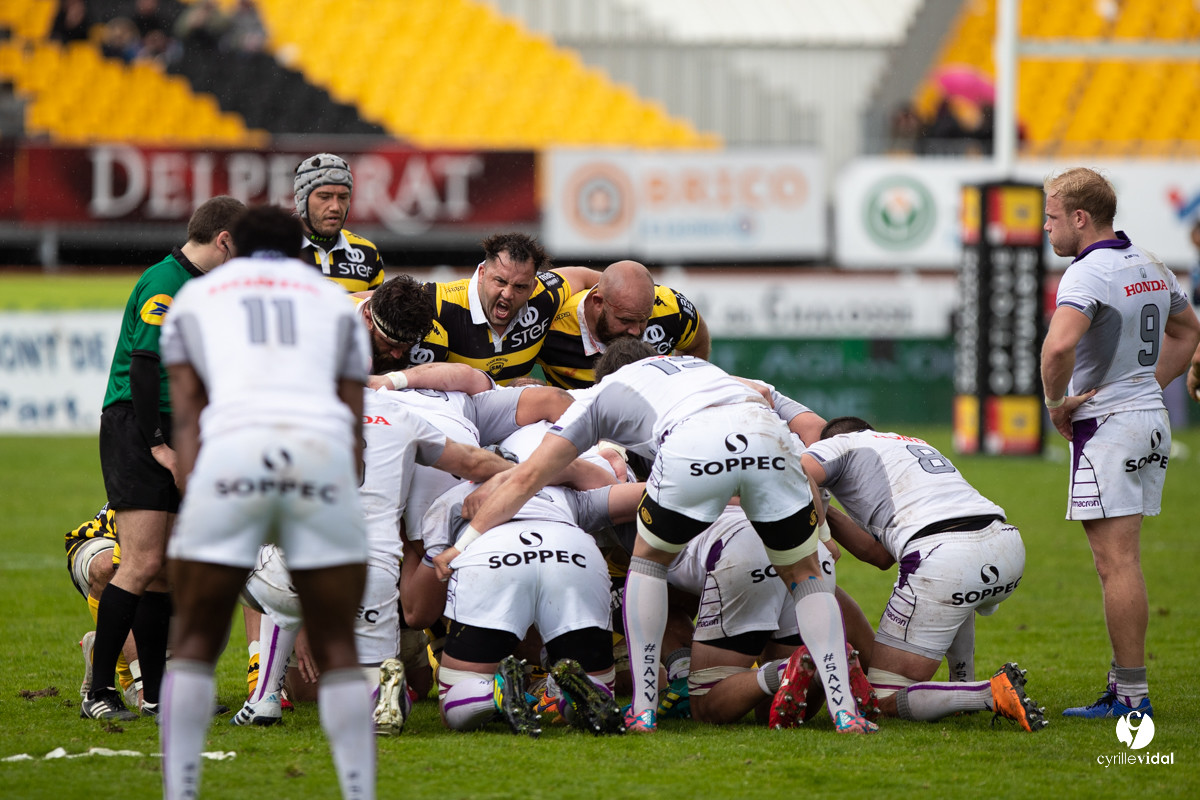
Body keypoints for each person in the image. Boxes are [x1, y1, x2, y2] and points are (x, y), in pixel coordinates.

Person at [434, 338, 878, 734]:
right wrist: (819, 530)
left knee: (648, 564)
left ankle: (643, 710)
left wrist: (462, 543)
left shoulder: (600, 396)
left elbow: (527, 478)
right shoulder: (708, 371)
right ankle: (845, 714)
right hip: (766, 437)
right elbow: (775, 406)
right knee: (806, 577)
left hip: (694, 446)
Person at [158, 205, 375, 800]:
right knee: (337, 643)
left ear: (235, 246)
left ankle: (180, 790)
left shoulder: (197, 299)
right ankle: (359, 790)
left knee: (198, 638)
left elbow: (189, 412)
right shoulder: (334, 301)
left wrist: (200, 487)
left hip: (233, 452)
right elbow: (352, 412)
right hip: (318, 454)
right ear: (301, 248)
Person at [1040, 167, 1200, 720]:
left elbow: (1058, 348)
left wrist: (1055, 404)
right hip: (1148, 420)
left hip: (1110, 427)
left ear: (1080, 219)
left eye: (1052, 217)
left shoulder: (1087, 275)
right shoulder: (1150, 262)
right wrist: (1147, 386)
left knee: (1117, 564)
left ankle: (1131, 696)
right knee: (1122, 560)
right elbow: (1188, 331)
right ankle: (1121, 686)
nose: (1046, 227)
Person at [85, 195, 245, 722]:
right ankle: (99, 692)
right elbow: (146, 364)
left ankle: (156, 694)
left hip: (173, 430)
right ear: (224, 240)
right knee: (142, 562)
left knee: (166, 574)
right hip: (138, 426)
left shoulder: (198, 289)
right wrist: (160, 445)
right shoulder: (166, 283)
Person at [798, 417, 1046, 732]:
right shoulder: (909, 442)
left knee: (882, 697)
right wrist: (828, 511)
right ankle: (962, 681)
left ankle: (986, 693)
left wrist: (821, 532)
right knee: (953, 593)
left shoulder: (839, 444)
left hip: (943, 553)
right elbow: (879, 556)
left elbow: (799, 471)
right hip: (1006, 544)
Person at [404, 232, 600, 385]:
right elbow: (378, 301)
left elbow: (584, 275)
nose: (507, 293)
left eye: (520, 286)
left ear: (533, 286)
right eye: (500, 281)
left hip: (508, 416)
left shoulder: (545, 293)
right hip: (453, 411)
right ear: (482, 273)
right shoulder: (440, 300)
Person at [536, 259, 710, 390]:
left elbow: (697, 343)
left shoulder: (670, 307)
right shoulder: (550, 324)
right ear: (598, 302)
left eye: (643, 320)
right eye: (625, 320)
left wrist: (681, 388)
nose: (635, 331)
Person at [66, 504, 142, 709]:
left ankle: (102, 645)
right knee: (109, 570)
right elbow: (124, 568)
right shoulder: (150, 490)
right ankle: (131, 682)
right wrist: (145, 683)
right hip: (102, 540)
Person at [294, 153, 385, 294]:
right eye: (324, 197)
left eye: (343, 197)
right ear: (300, 199)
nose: (335, 207)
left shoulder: (367, 253)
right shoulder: (276, 249)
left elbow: (375, 315)